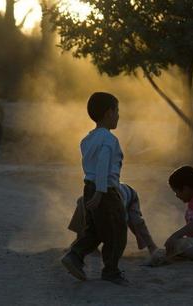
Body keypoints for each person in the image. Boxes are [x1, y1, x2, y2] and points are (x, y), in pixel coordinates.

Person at [61, 92, 128, 285]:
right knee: (117, 232)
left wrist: (94, 190)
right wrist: (100, 192)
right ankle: (111, 272)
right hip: (105, 191)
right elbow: (102, 164)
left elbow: (90, 164)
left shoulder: (87, 139)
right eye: (117, 111)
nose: (118, 116)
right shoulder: (109, 140)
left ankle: (74, 256)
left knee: (96, 231)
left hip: (88, 188)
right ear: (109, 113)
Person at [68, 183, 158, 255]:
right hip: (107, 194)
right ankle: (79, 243)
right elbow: (85, 221)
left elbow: (123, 221)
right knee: (90, 221)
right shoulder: (85, 200)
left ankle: (152, 247)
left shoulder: (115, 202)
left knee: (136, 221)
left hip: (130, 195)